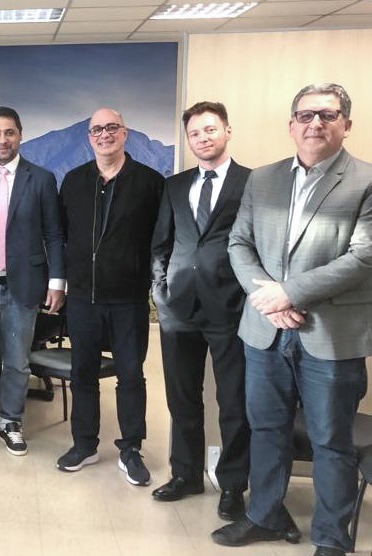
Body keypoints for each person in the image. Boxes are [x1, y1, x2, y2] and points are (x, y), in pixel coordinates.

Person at [213, 83, 372, 556]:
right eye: (305, 115)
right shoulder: (262, 180)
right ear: (291, 125)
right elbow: (238, 244)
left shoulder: (365, 181)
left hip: (330, 335)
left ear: (346, 122)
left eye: (327, 114)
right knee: (265, 428)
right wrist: (271, 298)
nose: (315, 124)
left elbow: (364, 258)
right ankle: (262, 514)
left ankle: (330, 537)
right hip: (265, 331)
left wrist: (289, 292)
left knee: (330, 439)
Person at [150, 102, 251, 518]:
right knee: (182, 397)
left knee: (233, 402)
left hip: (231, 309)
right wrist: (159, 290)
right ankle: (185, 474)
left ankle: (231, 486)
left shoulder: (253, 182)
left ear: (227, 131)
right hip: (179, 310)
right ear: (189, 140)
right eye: (195, 133)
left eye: (210, 130)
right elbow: (162, 243)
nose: (203, 138)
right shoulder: (175, 185)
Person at [55, 107, 163, 486]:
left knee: (130, 376)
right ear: (89, 137)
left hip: (128, 299)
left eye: (111, 127)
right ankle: (84, 444)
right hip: (83, 297)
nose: (104, 134)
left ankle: (131, 448)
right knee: (82, 375)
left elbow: (159, 240)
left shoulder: (150, 183)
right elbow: (63, 236)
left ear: (125, 132)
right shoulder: (73, 181)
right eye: (97, 129)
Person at [0, 106, 65, 457]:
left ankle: (10, 422)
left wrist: (57, 282)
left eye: (9, 132)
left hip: (23, 285)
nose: (2, 139)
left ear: (20, 134)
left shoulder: (41, 178)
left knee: (17, 362)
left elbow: (54, 234)